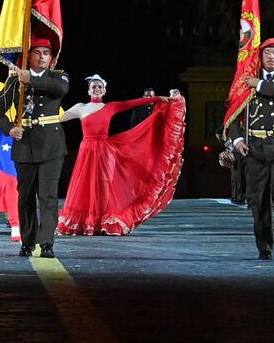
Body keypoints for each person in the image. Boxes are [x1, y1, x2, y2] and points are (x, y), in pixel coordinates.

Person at [56, 77, 185, 236]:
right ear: (88, 90)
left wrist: (158, 98)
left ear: (104, 91)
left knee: (105, 187)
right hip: (87, 151)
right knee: (85, 185)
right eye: (94, 87)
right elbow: (58, 118)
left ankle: (104, 221)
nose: (96, 89)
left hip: (104, 151)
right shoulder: (80, 108)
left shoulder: (111, 106)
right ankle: (87, 222)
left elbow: (134, 102)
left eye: (99, 87)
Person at [0, 33, 68, 258]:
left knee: (48, 196)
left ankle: (47, 244)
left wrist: (29, 79)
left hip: (51, 147)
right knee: (25, 197)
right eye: (37, 53)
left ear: (51, 58)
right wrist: (9, 128)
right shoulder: (14, 81)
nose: (42, 57)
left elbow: (60, 90)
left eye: (46, 54)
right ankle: (27, 241)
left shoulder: (59, 77)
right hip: (24, 146)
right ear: (28, 56)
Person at [231, 37, 274, 260]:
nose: (271, 57)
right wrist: (237, 140)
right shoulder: (246, 80)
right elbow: (232, 114)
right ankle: (264, 246)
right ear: (259, 56)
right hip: (255, 148)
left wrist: (258, 84)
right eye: (267, 53)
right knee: (258, 200)